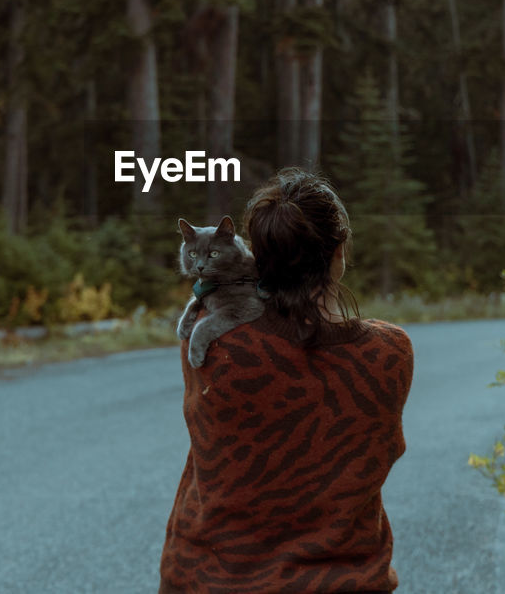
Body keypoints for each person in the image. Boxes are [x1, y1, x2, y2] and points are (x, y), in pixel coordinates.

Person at [159, 168, 415, 594]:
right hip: (343, 582)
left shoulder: (217, 339)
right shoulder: (390, 353)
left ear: (259, 254)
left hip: (214, 580)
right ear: (339, 251)